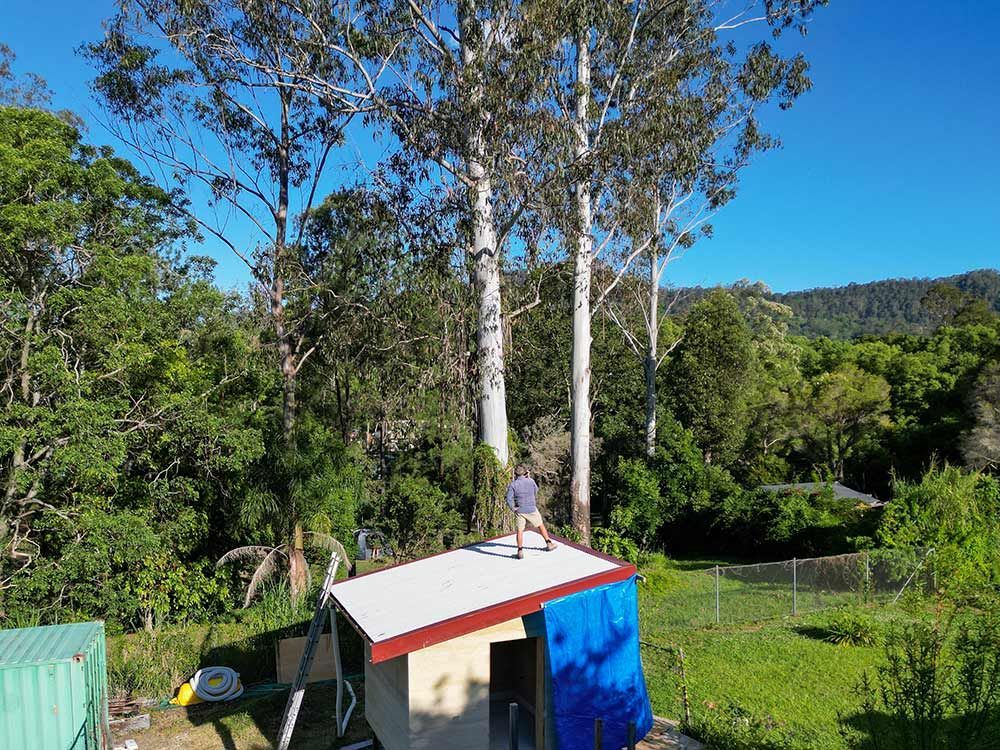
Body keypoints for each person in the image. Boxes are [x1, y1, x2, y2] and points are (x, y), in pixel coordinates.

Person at [505, 464, 557, 559]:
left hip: (520, 510)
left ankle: (520, 551)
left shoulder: (513, 484)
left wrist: (513, 508)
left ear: (515, 474)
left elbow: (508, 499)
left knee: (520, 530)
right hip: (531, 509)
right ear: (525, 472)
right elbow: (535, 491)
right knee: (540, 525)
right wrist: (528, 478)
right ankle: (549, 543)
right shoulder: (531, 481)